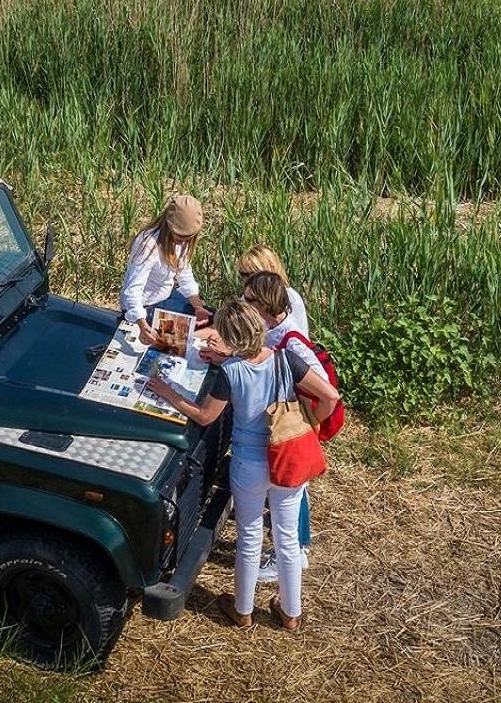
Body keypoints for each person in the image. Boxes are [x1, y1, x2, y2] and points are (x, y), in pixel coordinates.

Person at [143, 298, 339, 630]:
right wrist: (311, 425)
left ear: (232, 338)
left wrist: (168, 393)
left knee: (249, 536)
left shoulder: (231, 372)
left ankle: (243, 610)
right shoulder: (285, 359)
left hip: (249, 463)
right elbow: (331, 398)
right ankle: (291, 613)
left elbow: (205, 416)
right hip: (287, 458)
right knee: (286, 538)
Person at [241, 265, 318, 583]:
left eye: (248, 296)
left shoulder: (290, 342)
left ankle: (293, 555)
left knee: (292, 493)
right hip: (283, 426)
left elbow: (326, 392)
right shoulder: (274, 331)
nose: (243, 298)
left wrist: (312, 426)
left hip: (291, 429)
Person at [120, 194, 210, 337]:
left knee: (211, 321)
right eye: (179, 236)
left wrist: (198, 307)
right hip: (145, 307)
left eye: (188, 237)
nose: (183, 241)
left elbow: (185, 275)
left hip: (167, 297)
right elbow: (133, 290)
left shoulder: (184, 242)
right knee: (183, 335)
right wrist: (142, 325)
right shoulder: (148, 245)